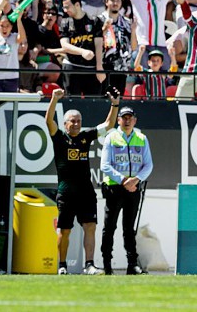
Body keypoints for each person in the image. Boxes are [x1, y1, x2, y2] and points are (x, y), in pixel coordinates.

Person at [45, 86, 119, 276]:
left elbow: (109, 125)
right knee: (65, 230)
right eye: (73, 121)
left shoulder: (86, 136)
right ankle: (62, 265)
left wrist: (115, 104)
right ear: (65, 123)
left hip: (86, 192)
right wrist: (54, 99)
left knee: (90, 227)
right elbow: (48, 121)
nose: (76, 124)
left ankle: (89, 265)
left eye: (79, 121)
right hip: (66, 192)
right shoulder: (59, 138)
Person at [100, 106, 154, 275]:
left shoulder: (142, 138)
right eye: (124, 117)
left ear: (135, 120)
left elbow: (148, 165)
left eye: (130, 117)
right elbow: (105, 165)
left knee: (129, 228)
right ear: (119, 120)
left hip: (133, 188)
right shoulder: (111, 137)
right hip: (114, 188)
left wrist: (135, 180)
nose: (127, 120)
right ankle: (107, 264)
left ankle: (132, 264)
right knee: (110, 227)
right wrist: (124, 180)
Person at [59, 0, 104, 96]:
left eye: (67, 7)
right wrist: (82, 52)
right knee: (72, 100)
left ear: (77, 5)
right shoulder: (65, 22)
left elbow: (98, 45)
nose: (65, 10)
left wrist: (99, 67)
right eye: (64, 7)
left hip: (91, 68)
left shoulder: (94, 21)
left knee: (93, 99)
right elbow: (65, 45)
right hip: (72, 65)